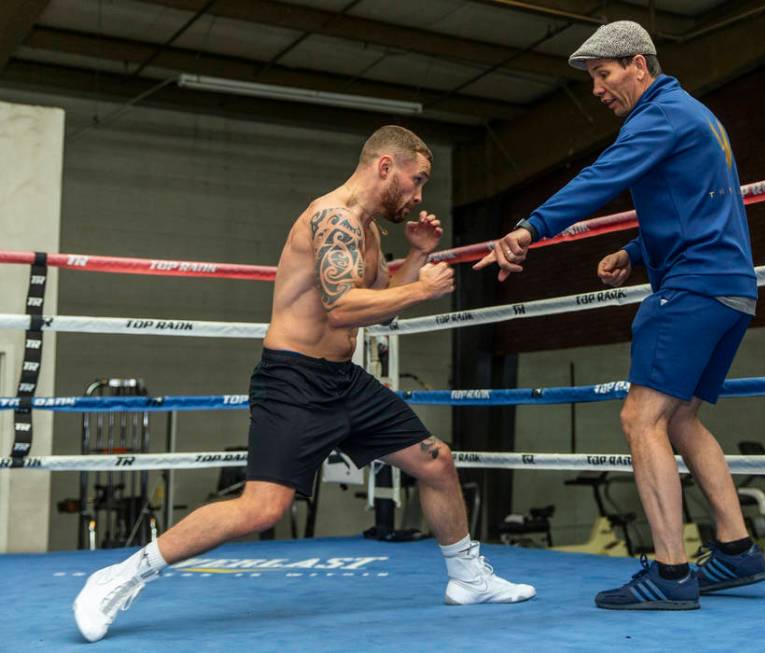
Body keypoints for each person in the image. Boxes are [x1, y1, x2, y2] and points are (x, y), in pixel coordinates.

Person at [73, 125, 535, 643]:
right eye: (416, 179)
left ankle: (469, 579)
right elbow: (342, 307)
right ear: (386, 166)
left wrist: (419, 258)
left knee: (435, 460)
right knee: (261, 508)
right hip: (293, 380)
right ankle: (120, 575)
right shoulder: (332, 218)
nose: (419, 194)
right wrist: (423, 291)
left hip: (343, 380)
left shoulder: (368, 231)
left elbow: (377, 307)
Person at [475, 21, 765, 610]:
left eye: (603, 75)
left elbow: (600, 177)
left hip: (693, 288)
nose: (597, 90)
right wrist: (636, 251)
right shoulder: (697, 114)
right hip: (732, 287)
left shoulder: (657, 116)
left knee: (641, 419)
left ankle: (672, 573)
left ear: (638, 64)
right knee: (681, 419)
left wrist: (529, 228)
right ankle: (737, 552)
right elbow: (698, 200)